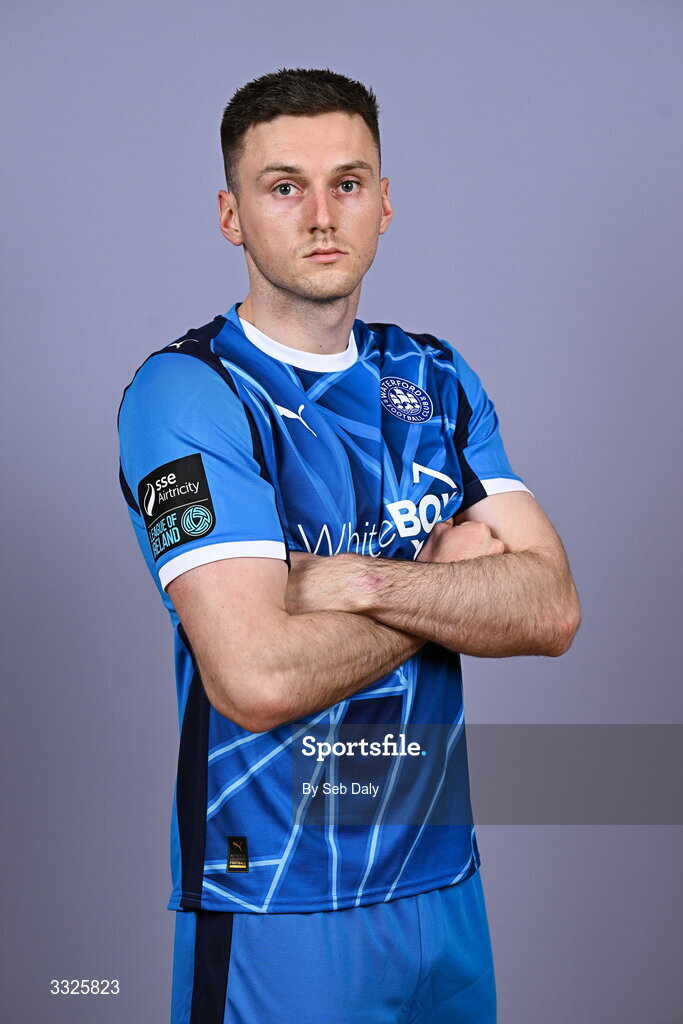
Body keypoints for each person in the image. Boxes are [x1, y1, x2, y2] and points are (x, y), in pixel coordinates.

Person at [117, 67, 580, 1024]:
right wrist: (446, 581)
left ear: (384, 203)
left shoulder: (435, 378)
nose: (321, 215)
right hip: (280, 898)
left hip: (442, 879)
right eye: (283, 186)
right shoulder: (188, 394)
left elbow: (550, 608)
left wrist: (349, 581)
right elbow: (256, 680)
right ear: (231, 214)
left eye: (349, 182)